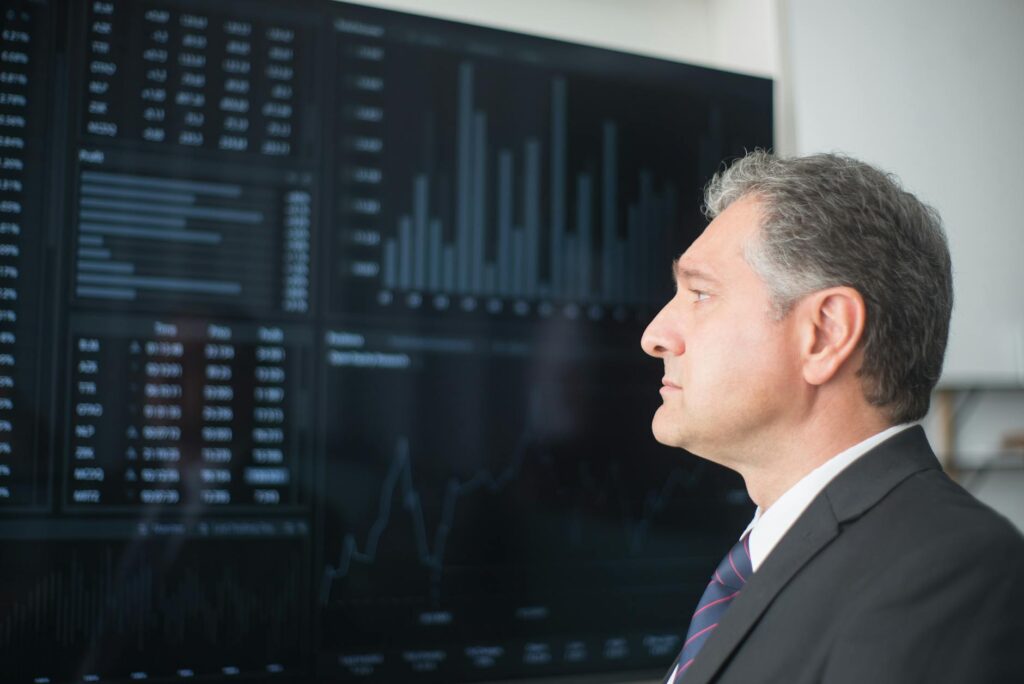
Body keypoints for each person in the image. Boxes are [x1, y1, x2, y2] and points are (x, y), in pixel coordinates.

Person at [640, 151, 1024, 683]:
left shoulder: (952, 572)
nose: (654, 335)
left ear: (825, 334)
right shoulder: (766, 557)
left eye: (701, 294)